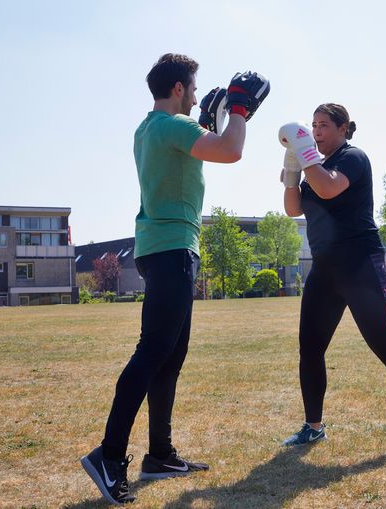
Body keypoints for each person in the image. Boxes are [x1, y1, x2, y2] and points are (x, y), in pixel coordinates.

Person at [80, 53, 269, 505]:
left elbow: (194, 151)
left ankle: (160, 455)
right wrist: (238, 109)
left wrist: (207, 121)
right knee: (153, 353)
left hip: (159, 248)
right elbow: (231, 150)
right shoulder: (172, 127)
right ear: (180, 88)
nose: (200, 97)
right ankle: (108, 456)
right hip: (172, 250)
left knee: (169, 354)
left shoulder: (148, 128)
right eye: (196, 89)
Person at [278, 104, 386, 450]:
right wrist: (292, 167)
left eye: (323, 125)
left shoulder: (353, 158)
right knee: (310, 348)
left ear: (343, 129)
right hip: (325, 269)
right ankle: (313, 426)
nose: (316, 131)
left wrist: (305, 155)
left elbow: (328, 189)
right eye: (312, 126)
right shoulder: (316, 167)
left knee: (385, 344)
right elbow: (293, 209)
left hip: (360, 264)